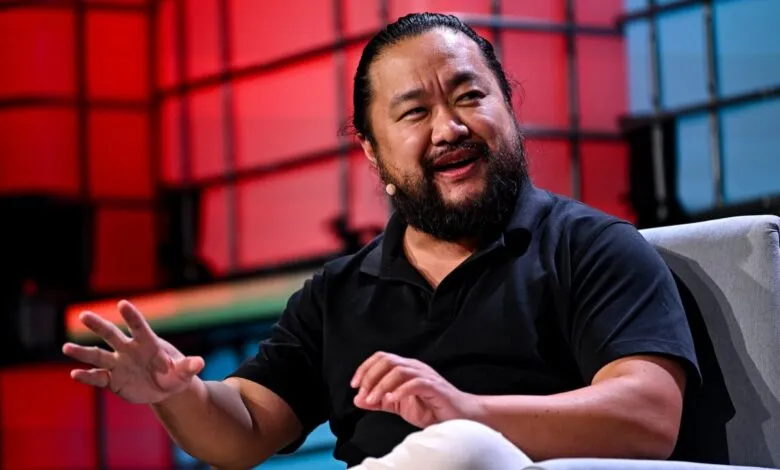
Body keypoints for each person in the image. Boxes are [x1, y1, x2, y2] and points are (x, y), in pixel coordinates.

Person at [62, 12, 700, 470]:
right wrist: (181, 396)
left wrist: (465, 413)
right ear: (371, 151)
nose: (450, 127)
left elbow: (648, 417)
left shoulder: (592, 246)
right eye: (415, 112)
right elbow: (246, 432)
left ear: (509, 108)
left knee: (464, 451)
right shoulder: (337, 293)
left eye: (471, 97)